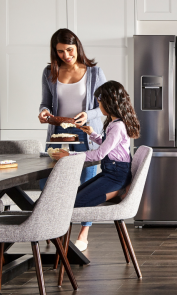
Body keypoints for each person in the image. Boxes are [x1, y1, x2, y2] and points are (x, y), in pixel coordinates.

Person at [52, 81, 141, 252]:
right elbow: (109, 146)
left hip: (115, 176)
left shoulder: (117, 126)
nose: (98, 106)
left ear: (108, 102)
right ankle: (62, 245)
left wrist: (69, 155)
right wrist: (92, 134)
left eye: (99, 102)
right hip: (112, 172)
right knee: (73, 197)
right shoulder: (116, 124)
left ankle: (63, 247)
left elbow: (100, 154)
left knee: (76, 202)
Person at [38, 28, 106, 189]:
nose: (66, 55)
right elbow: (45, 103)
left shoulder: (94, 73)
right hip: (57, 133)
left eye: (69, 50)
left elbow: (105, 108)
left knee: (86, 183)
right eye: (60, 51)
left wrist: (87, 115)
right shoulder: (49, 72)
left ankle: (78, 214)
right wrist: (43, 112)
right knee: (46, 182)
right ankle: (49, 214)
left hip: (84, 133)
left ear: (77, 47)